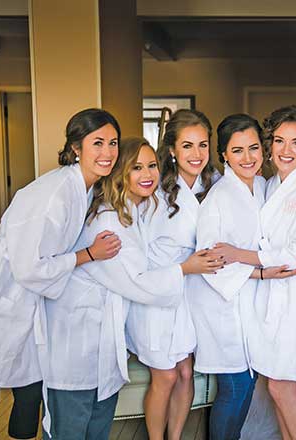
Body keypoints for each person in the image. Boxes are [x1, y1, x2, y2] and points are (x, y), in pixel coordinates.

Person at [0, 108, 123, 440]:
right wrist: (89, 254)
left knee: (30, 390)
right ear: (76, 147)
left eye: (113, 142)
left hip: (26, 298)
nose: (107, 152)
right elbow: (30, 267)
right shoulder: (55, 194)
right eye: (98, 142)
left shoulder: (86, 187)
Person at [42, 137, 221, 439]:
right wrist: (185, 268)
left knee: (96, 421)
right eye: (136, 167)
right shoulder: (109, 223)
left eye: (151, 165)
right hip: (77, 331)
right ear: (119, 172)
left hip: (104, 329)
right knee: (70, 424)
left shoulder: (134, 208)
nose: (147, 174)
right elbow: (137, 282)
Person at [209, 105, 296, 440]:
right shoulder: (271, 184)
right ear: (270, 143)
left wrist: (239, 255)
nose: (286, 150)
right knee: (277, 387)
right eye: (279, 141)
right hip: (271, 297)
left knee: (282, 386)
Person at [190, 113, 296, 440]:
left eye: (253, 148)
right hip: (222, 306)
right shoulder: (219, 197)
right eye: (237, 151)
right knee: (236, 385)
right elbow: (210, 259)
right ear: (224, 155)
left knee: (249, 383)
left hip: (251, 303)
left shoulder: (264, 187)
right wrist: (262, 273)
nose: (248, 158)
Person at [125, 110, 219, 440]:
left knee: (186, 373)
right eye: (187, 146)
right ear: (172, 150)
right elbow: (137, 254)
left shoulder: (214, 185)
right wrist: (184, 268)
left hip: (189, 293)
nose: (197, 154)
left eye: (203, 145)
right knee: (164, 376)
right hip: (156, 294)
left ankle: (175, 436)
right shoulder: (155, 192)